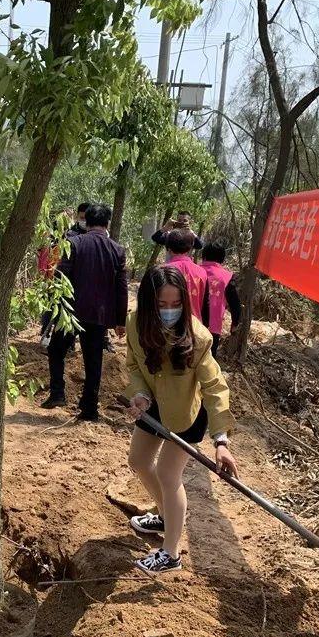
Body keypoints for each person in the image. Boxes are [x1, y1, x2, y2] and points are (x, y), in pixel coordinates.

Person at [124, 266, 238, 575]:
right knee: (138, 460)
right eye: (162, 305)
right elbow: (133, 364)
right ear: (148, 303)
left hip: (187, 411)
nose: (170, 311)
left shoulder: (197, 337)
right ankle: (165, 516)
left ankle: (171, 553)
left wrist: (221, 440)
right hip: (152, 404)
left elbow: (215, 387)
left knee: (167, 473)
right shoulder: (135, 323)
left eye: (176, 304)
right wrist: (139, 394)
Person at [40, 203, 127, 421]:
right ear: (107, 223)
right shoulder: (117, 250)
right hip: (98, 316)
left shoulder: (74, 243)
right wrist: (120, 320)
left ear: (85, 222)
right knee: (93, 360)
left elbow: (61, 277)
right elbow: (121, 287)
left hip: (71, 312)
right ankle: (89, 408)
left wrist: (53, 311)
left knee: (57, 350)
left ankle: (58, 393)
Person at [200, 242, 242, 358]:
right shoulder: (226, 276)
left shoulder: (194, 271)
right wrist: (235, 323)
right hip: (213, 325)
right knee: (208, 359)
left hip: (190, 322)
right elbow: (235, 303)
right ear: (222, 259)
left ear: (203, 256)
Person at [162, 228, 210, 324]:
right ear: (189, 249)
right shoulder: (201, 272)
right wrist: (204, 328)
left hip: (167, 327)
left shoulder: (162, 271)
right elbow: (206, 304)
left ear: (168, 249)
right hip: (194, 328)